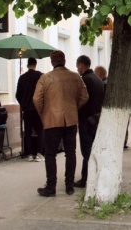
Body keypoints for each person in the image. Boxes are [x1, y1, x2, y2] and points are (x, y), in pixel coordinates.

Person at [33, 50, 89, 196]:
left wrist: (43, 113)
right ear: (64, 60)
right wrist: (73, 107)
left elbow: (37, 99)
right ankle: (69, 186)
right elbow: (85, 96)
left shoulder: (46, 78)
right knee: (71, 153)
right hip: (70, 120)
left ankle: (51, 187)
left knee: (50, 154)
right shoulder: (75, 77)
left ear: (52, 62)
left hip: (52, 120)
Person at [74, 55, 105, 188]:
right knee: (94, 149)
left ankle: (87, 178)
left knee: (87, 151)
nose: (77, 69)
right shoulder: (98, 79)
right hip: (97, 119)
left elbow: (81, 99)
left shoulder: (84, 80)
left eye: (77, 67)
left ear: (81, 65)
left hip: (86, 120)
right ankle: (94, 175)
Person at [16, 58, 44, 162]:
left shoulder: (22, 78)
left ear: (27, 65)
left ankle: (29, 154)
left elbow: (18, 95)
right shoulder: (41, 76)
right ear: (35, 64)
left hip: (27, 109)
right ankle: (39, 153)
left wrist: (24, 104)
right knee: (40, 130)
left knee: (27, 132)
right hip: (38, 109)